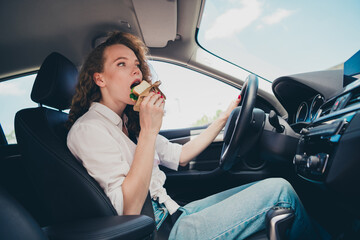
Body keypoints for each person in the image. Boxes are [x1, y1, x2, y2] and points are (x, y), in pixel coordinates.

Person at [66, 31, 323, 240]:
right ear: (99, 78)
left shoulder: (126, 124)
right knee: (280, 192)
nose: (135, 71)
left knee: (268, 186)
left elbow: (182, 155)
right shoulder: (89, 129)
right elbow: (130, 211)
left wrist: (224, 118)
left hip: (174, 213)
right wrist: (148, 130)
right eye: (121, 64)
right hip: (157, 231)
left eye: (136, 65)